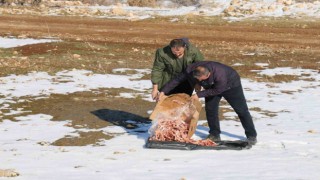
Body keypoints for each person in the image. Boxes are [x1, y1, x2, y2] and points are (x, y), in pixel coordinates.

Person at [159, 61, 258, 145]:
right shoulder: (191, 69)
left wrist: (199, 95)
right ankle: (214, 134)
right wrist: (163, 91)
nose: (200, 81)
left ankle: (251, 135)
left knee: (241, 110)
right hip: (211, 86)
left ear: (208, 75)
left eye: (201, 79)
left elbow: (218, 90)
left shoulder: (220, 74)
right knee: (211, 110)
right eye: (198, 79)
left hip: (231, 86)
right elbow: (177, 79)